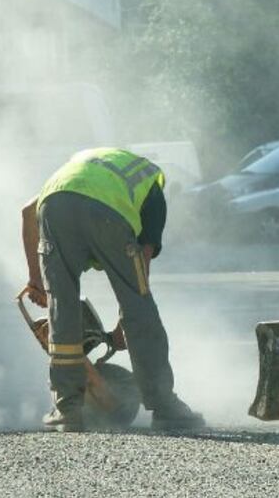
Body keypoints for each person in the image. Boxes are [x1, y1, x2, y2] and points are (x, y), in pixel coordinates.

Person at [21, 147, 205, 432]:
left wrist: (36, 281)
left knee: (62, 311)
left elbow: (26, 213)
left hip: (54, 209)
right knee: (139, 307)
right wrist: (124, 324)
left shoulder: (77, 170)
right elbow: (140, 277)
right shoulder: (151, 186)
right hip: (107, 216)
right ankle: (165, 407)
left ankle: (67, 409)